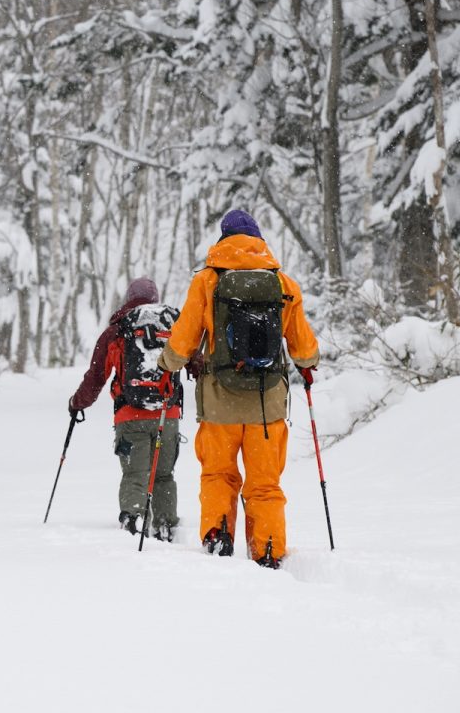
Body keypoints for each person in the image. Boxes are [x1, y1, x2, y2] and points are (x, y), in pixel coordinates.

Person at [157, 209, 319, 568]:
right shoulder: (282, 284)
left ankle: (217, 537)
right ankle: (268, 548)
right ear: (259, 239)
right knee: (264, 483)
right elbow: (304, 348)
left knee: (218, 475)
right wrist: (308, 365)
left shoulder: (208, 281)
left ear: (223, 239)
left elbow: (183, 341)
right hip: (267, 406)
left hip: (219, 405)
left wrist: (166, 364)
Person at [69, 278, 185, 541]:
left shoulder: (118, 329)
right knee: (164, 474)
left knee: (135, 473)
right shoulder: (172, 325)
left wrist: (77, 403)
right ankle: (166, 525)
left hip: (130, 416)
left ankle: (134, 520)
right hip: (168, 415)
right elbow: (195, 362)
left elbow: (96, 376)